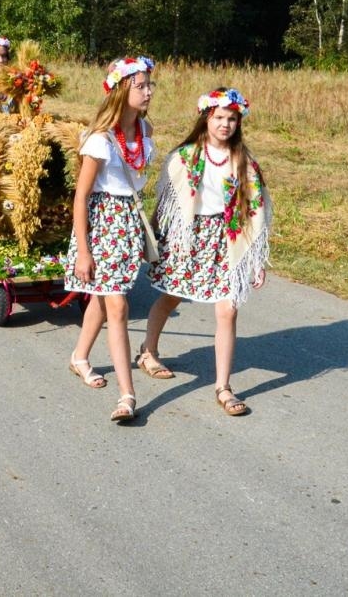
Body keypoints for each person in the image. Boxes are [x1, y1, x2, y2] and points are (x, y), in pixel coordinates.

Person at [137, 88, 272, 416]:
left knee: (228, 309)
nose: (225, 125)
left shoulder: (243, 161)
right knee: (172, 297)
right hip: (188, 236)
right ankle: (148, 351)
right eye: (220, 118)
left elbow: (257, 208)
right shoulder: (186, 156)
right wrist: (151, 235)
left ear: (239, 122)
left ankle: (223, 387)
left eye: (232, 119)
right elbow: (167, 200)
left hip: (226, 240)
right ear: (207, 118)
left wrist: (255, 259)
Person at [64, 56, 155, 424]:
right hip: (101, 226)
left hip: (127, 224)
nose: (149, 92)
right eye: (141, 86)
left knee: (102, 303)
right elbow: (81, 196)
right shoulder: (100, 140)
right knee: (116, 306)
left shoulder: (145, 131)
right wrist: (83, 252)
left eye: (151, 85)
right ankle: (127, 394)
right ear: (121, 90)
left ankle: (79, 357)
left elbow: (137, 184)